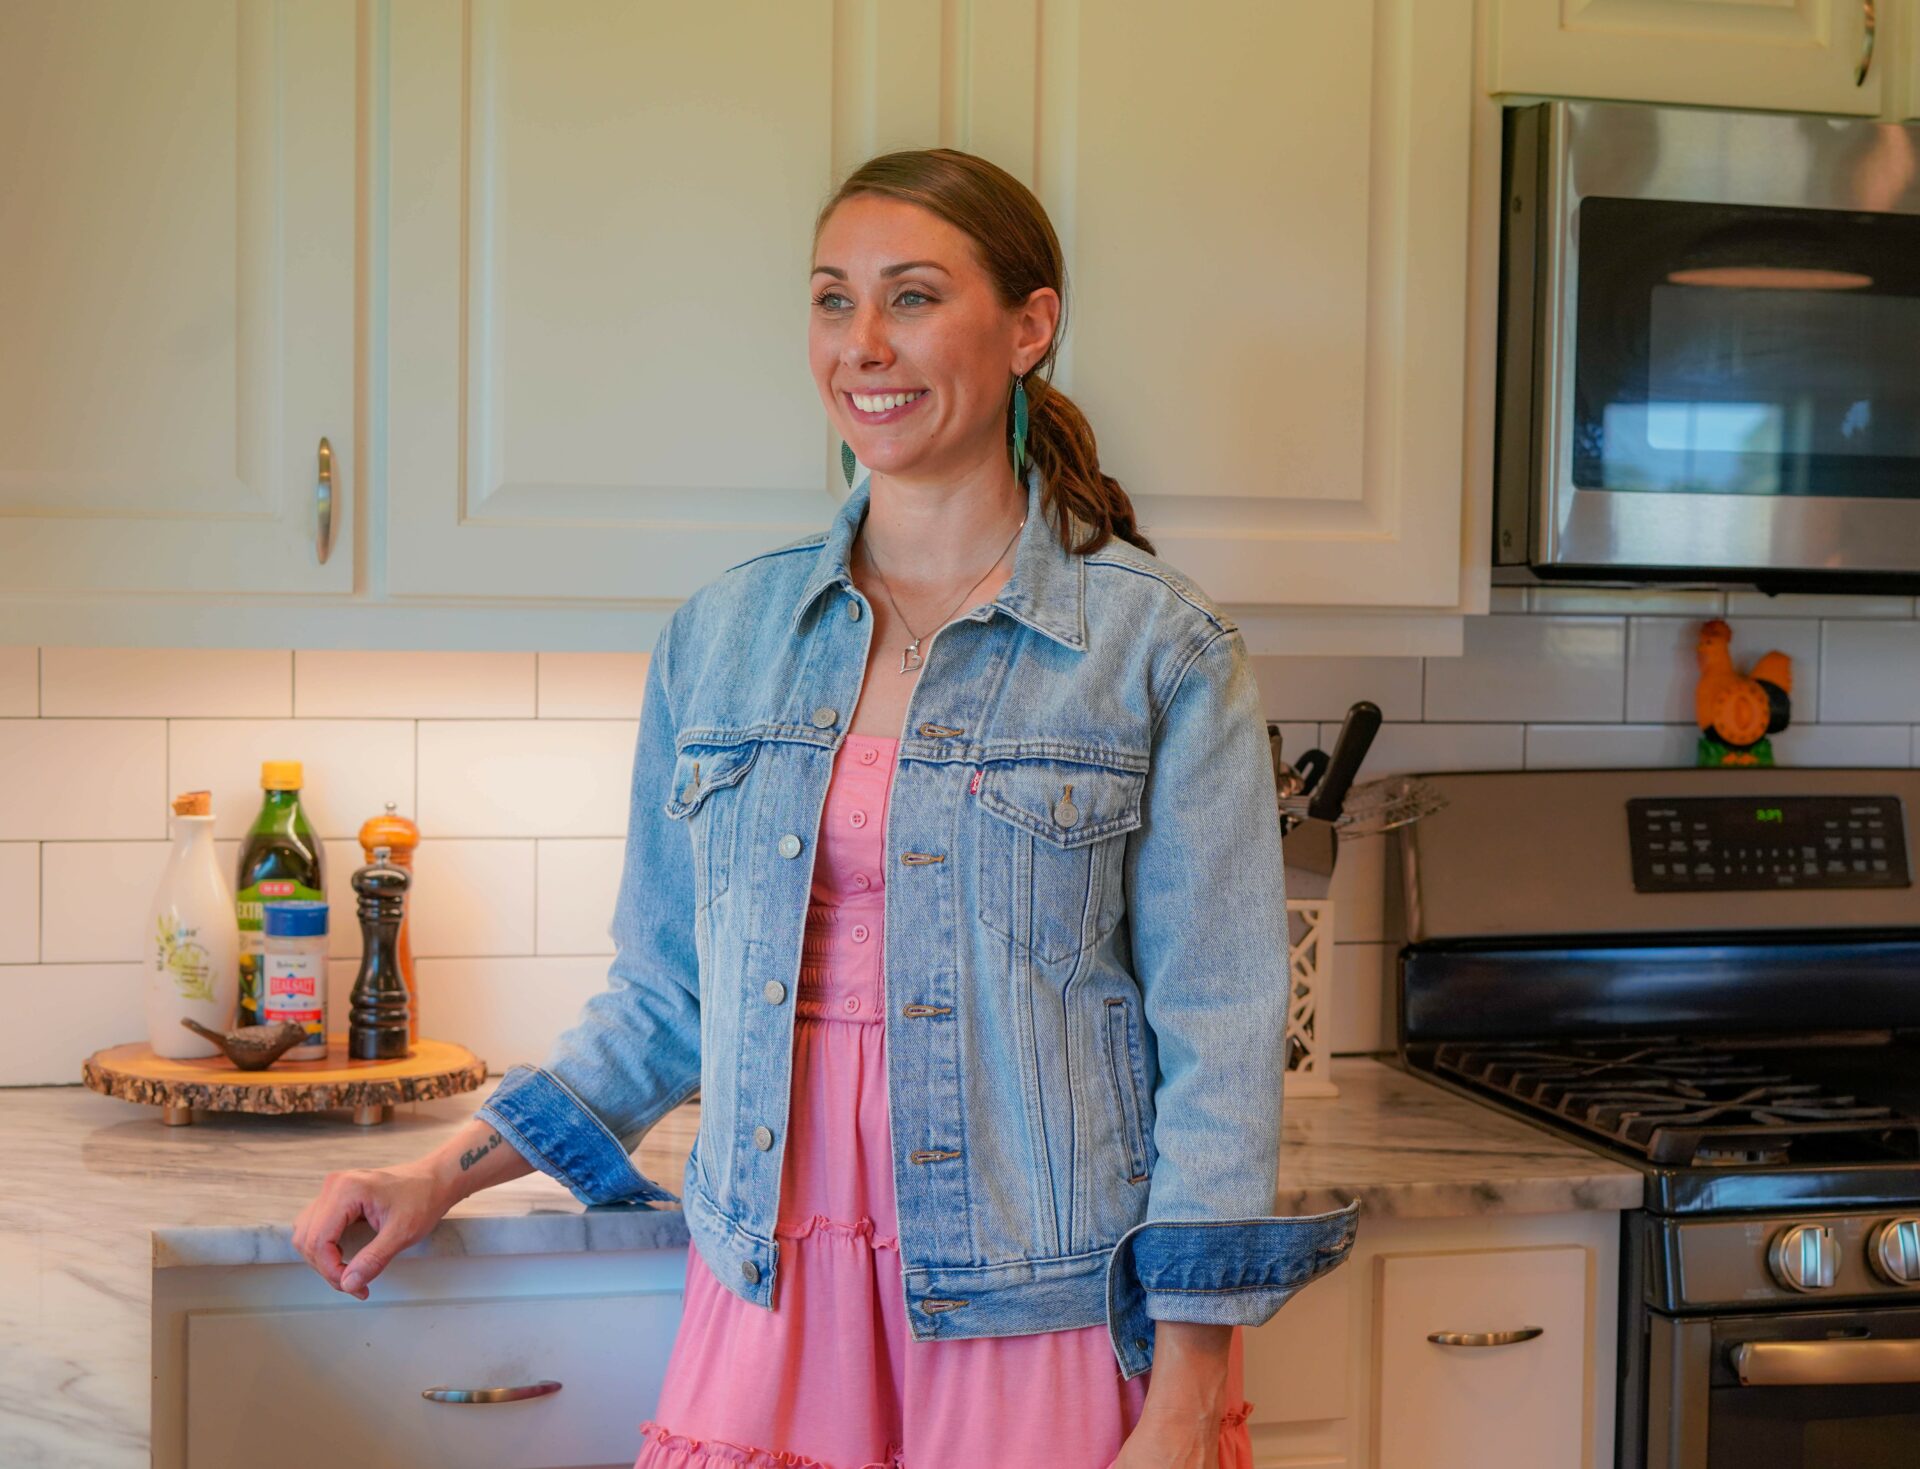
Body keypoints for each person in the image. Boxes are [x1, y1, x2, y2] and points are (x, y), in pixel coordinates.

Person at [293, 147, 1358, 1469]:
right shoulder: (725, 638)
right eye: (832, 299)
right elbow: (666, 998)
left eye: (913, 296)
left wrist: (1187, 1397)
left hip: (1044, 1296)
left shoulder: (1158, 650)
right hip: (777, 1289)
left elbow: (1222, 1041)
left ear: (1029, 327)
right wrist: (436, 1174)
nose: (864, 345)